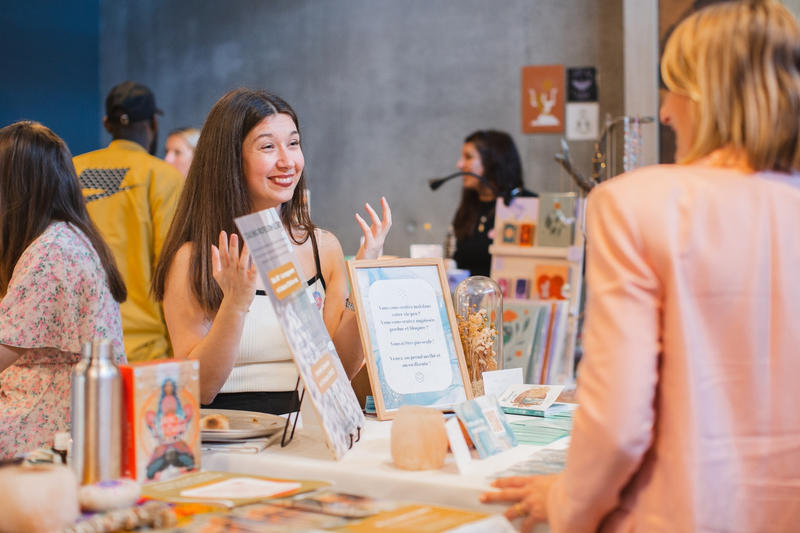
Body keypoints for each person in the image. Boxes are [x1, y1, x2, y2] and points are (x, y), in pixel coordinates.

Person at [481, 1, 800, 531]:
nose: (666, 112)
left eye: (672, 87)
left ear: (705, 93)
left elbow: (618, 423)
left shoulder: (635, 204)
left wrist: (565, 502)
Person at [151, 88, 391, 414]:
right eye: (267, 146)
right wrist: (235, 303)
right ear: (230, 159)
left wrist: (365, 277)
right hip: (229, 438)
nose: (287, 161)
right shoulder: (194, 259)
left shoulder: (324, 248)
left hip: (310, 432)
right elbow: (200, 389)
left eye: (293, 143)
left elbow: (340, 372)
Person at [0, 121, 126, 459]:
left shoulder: (51, 252)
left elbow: (4, 347)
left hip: (47, 426)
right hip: (60, 414)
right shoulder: (66, 237)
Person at [73, 81, 183, 362]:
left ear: (107, 124)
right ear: (153, 124)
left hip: (74, 349)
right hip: (143, 354)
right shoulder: (163, 177)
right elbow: (174, 268)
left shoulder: (71, 170)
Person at [449, 130, 534, 276]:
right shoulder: (468, 208)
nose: (460, 164)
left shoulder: (528, 205)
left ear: (492, 161)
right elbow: (456, 258)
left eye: (468, 157)